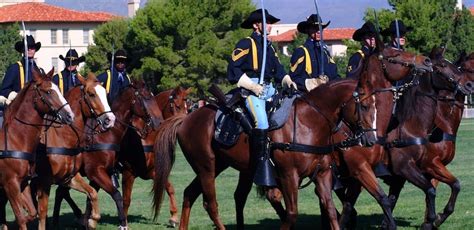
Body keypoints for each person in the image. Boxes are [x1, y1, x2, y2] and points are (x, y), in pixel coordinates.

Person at [227, 9, 296, 186]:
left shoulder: (269, 46)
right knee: (262, 123)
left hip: (270, 88)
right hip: (251, 89)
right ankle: (260, 163)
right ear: (256, 25)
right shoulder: (245, 43)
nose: (271, 26)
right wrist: (252, 86)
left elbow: (279, 70)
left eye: (271, 23)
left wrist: (288, 80)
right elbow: (233, 69)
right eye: (267, 23)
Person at [290, 14, 339, 92]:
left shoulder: (325, 53)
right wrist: (311, 83)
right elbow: (293, 78)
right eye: (315, 28)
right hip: (307, 96)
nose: (319, 31)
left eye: (320, 28)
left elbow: (334, 75)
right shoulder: (301, 51)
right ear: (308, 30)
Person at [0, 35, 41, 106]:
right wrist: (17, 96)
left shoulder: (39, 70)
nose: (29, 50)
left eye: (32, 47)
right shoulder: (14, 68)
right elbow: (4, 90)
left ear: (35, 50)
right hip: (18, 108)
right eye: (27, 48)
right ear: (22, 50)